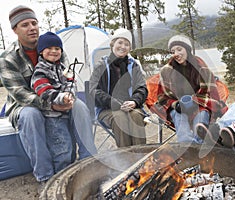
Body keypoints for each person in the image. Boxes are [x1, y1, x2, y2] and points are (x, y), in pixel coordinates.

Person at [0, 5, 97, 184]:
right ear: (15, 30)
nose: (32, 28)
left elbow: (68, 76)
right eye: (25, 25)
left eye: (34, 23)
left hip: (58, 97)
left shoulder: (53, 46)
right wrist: (51, 104)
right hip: (25, 105)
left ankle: (88, 161)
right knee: (31, 115)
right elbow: (20, 94)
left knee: (80, 107)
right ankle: (45, 176)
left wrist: (68, 96)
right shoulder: (7, 59)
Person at [30, 31, 97, 173]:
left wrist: (69, 94)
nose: (54, 51)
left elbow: (70, 84)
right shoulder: (40, 70)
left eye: (57, 48)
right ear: (41, 51)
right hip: (53, 116)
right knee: (62, 148)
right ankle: (61, 175)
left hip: (67, 111)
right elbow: (43, 90)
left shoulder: (62, 68)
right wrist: (61, 98)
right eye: (50, 48)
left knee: (70, 147)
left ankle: (81, 167)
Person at [157, 35, 227, 144]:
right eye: (172, 51)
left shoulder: (202, 68)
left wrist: (196, 101)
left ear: (187, 50)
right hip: (178, 107)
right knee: (180, 120)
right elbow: (162, 97)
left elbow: (212, 94)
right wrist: (175, 104)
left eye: (179, 49)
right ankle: (188, 146)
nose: (176, 54)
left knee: (201, 117)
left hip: (200, 104)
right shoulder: (166, 71)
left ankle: (195, 147)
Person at [89, 28, 148, 147]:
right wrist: (114, 103)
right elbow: (93, 91)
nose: (123, 46)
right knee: (120, 117)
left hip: (130, 107)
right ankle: (127, 158)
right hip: (107, 108)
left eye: (127, 44)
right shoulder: (101, 66)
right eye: (120, 42)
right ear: (112, 44)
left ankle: (141, 156)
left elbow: (142, 88)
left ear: (130, 48)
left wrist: (134, 101)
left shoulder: (133, 65)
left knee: (136, 116)